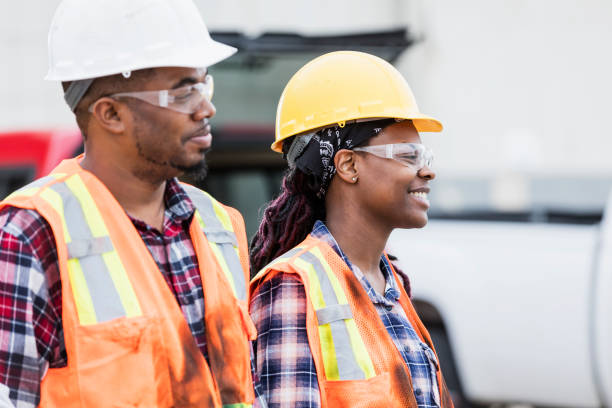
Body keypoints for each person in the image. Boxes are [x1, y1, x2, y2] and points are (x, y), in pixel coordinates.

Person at [0, 1, 261, 407]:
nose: (206, 108)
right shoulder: (32, 235)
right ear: (111, 114)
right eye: (183, 92)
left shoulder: (219, 226)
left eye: (203, 85)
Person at [249, 50, 455, 407]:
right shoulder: (292, 287)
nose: (427, 171)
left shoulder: (393, 285)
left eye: (426, 158)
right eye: (408, 156)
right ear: (347, 165)